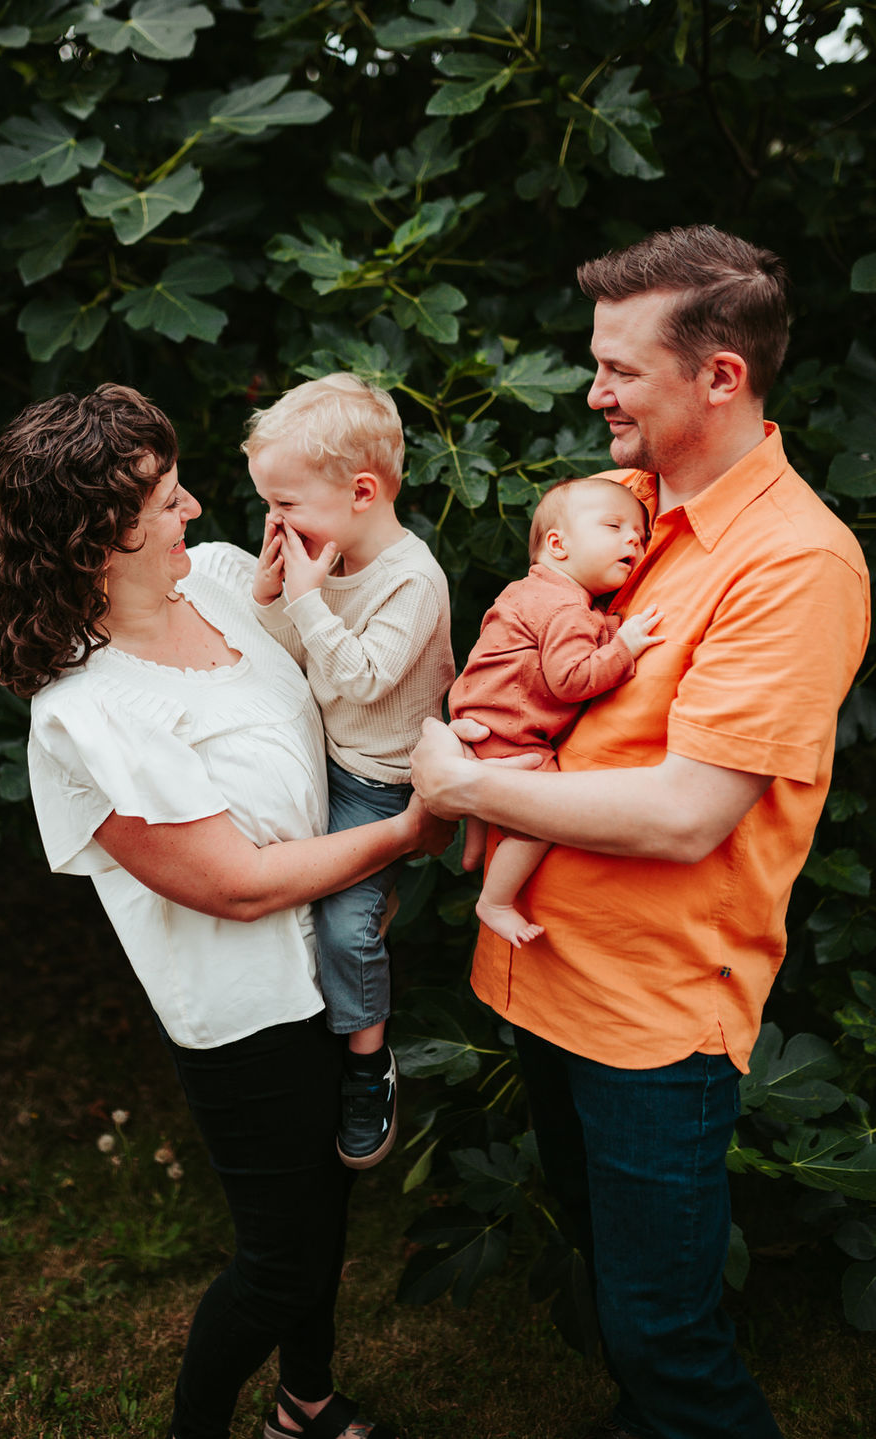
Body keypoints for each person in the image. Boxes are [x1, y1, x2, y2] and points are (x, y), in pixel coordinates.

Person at [409, 225, 870, 1439]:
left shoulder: (794, 562)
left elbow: (682, 814)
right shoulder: (632, 518)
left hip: (652, 1021)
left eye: (617, 367)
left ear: (720, 375)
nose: (591, 388)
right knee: (625, 1308)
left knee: (669, 1340)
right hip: (551, 979)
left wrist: (462, 788)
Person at [0, 382, 453, 1439]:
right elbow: (231, 882)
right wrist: (403, 834)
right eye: (168, 496)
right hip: (246, 1006)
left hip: (330, 952)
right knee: (278, 1258)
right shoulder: (85, 715)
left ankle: (305, 1403)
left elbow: (345, 687)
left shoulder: (234, 581)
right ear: (104, 538)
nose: (195, 508)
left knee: (327, 1206)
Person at [242, 373, 455, 1169]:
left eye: (287, 503)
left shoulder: (412, 579)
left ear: (361, 490)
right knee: (264, 880)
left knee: (342, 923)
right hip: (326, 756)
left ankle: (368, 1063)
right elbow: (301, 662)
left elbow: (362, 677)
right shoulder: (320, 563)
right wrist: (273, 600)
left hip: (383, 783)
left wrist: (302, 600)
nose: (275, 520)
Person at [448, 476, 662, 946]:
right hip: (512, 733)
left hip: (479, 720)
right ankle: (496, 900)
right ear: (558, 544)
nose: (634, 539)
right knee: (543, 813)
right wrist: (623, 647)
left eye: (642, 537)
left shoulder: (531, 591)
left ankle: (473, 852)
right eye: (614, 526)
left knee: (482, 791)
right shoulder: (565, 607)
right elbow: (570, 680)